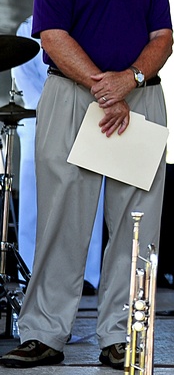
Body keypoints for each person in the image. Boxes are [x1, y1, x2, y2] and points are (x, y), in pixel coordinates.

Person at [1, 0, 172, 369]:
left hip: (138, 98)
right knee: (62, 220)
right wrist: (104, 86)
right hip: (75, 96)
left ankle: (122, 335)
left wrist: (129, 82)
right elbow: (51, 35)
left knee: (134, 224)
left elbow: (163, 38)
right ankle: (44, 333)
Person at [12, 16, 105, 298]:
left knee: (89, 197)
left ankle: (87, 275)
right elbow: (25, 80)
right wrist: (58, 108)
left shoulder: (85, 21)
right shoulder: (27, 29)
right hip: (39, 118)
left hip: (85, 116)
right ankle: (29, 268)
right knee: (33, 201)